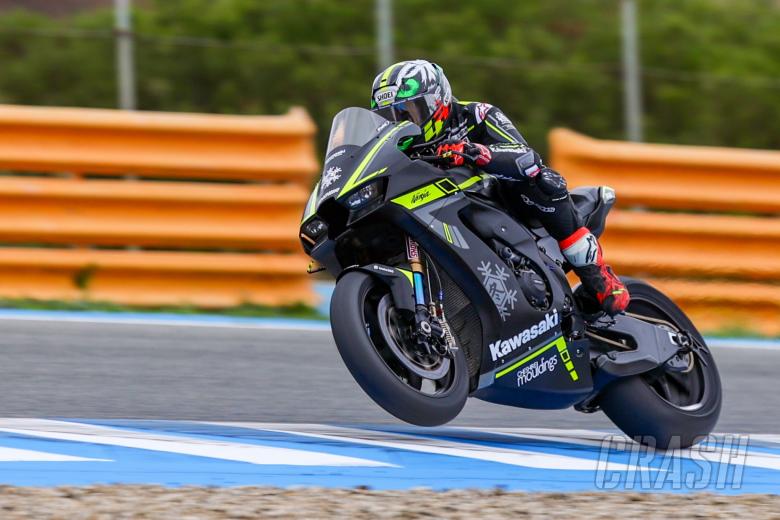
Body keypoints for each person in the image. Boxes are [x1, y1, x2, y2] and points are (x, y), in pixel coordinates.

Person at [370, 59, 629, 316]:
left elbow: (526, 157)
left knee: (544, 180)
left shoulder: (476, 115)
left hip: (497, 203)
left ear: (438, 101)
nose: (403, 122)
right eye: (393, 116)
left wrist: (475, 152)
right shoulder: (396, 150)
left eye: (409, 111)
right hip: (434, 212)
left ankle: (596, 274)